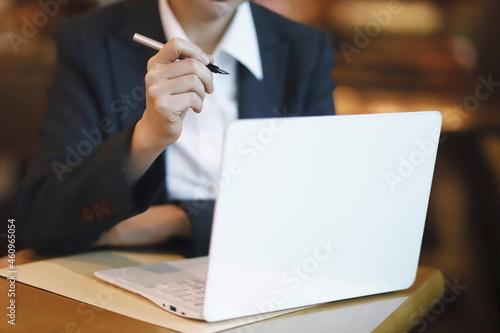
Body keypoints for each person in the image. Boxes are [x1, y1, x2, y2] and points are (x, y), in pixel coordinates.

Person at [14, 0, 336, 257]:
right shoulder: (87, 41)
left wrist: (178, 220)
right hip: (131, 284)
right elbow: (41, 221)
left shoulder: (305, 50)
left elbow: (321, 211)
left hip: (266, 275)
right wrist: (147, 138)